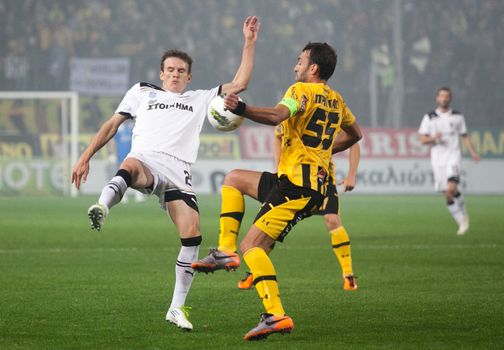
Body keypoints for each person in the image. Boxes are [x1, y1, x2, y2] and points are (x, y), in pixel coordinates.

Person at [71, 16, 260, 331]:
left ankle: (176, 309)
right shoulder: (143, 92)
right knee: (130, 167)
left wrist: (249, 42)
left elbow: (239, 83)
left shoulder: (199, 98)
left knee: (193, 236)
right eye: (170, 70)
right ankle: (102, 206)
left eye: (181, 71)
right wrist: (85, 156)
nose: (175, 74)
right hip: (145, 158)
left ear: (188, 77)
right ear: (161, 74)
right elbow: (111, 125)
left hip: (178, 172)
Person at [192, 42, 362, 340]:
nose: (295, 67)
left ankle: (275, 314)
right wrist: (322, 150)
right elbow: (356, 135)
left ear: (313, 68)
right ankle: (225, 251)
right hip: (295, 181)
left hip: (297, 186)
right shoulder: (337, 101)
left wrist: (241, 108)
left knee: (253, 247)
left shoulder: (300, 92)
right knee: (233, 178)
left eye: (300, 61)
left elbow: (276, 116)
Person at [236, 125, 360, 291]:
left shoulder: (326, 113)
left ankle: (348, 276)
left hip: (322, 182)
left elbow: (354, 141)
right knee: (271, 228)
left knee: (332, 219)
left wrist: (352, 174)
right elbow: (278, 135)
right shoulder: (290, 114)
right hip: (293, 183)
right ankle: (255, 272)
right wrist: (278, 165)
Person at [418, 87, 480, 235]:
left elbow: (465, 136)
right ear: (437, 98)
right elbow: (422, 139)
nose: (444, 99)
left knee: (452, 188)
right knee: (447, 193)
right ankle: (462, 220)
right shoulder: (429, 117)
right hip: (437, 159)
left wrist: (472, 152)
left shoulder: (458, 116)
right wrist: (434, 138)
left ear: (450, 98)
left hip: (453, 155)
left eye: (447, 96)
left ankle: (463, 220)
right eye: (441, 96)